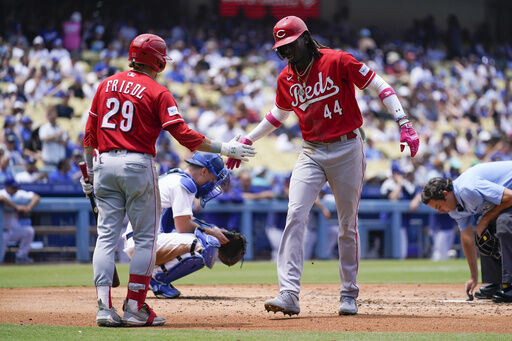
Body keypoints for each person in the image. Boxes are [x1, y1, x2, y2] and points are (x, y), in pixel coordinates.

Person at [225, 16, 419, 316]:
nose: (286, 52)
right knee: (295, 215)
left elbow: (381, 86)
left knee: (346, 226)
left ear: (305, 38)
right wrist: (248, 139)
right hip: (311, 150)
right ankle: (288, 293)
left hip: (347, 147)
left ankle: (349, 294)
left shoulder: (338, 60)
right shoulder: (285, 77)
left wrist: (403, 121)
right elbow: (279, 114)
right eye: (281, 48)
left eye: (289, 44)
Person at [80, 33, 255, 327]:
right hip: (137, 163)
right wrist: (225, 147)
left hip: (103, 162)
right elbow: (184, 136)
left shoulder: (105, 84)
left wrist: (89, 173)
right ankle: (135, 307)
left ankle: (103, 308)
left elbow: (89, 136)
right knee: (146, 238)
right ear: (158, 61)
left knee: (106, 238)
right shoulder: (158, 91)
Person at [124, 152, 230, 299]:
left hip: (141, 240)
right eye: (214, 177)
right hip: (144, 243)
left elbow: (182, 221)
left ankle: (153, 274)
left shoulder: (175, 176)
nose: (213, 183)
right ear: (204, 171)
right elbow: (183, 227)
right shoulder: (184, 184)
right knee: (206, 244)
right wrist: (211, 233)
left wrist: (212, 229)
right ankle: (156, 278)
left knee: (202, 236)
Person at [421, 161, 512, 303]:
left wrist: (485, 219)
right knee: (484, 235)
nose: (440, 211)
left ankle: (509, 284)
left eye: (439, 206)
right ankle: (497, 281)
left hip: (510, 194)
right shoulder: (454, 209)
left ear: (446, 194)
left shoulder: (467, 189)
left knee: (504, 223)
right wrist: (473, 277)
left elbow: (510, 197)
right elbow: (467, 239)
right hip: (506, 198)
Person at [0, 177, 40, 263]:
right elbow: (1, 198)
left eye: (16, 187)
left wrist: (28, 208)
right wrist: (16, 207)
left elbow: (36, 197)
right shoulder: (2, 193)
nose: (15, 189)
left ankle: (21, 256)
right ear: (7, 187)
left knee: (29, 231)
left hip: (13, 230)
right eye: (13, 187)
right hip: (1, 232)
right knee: (0, 259)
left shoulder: (19, 193)